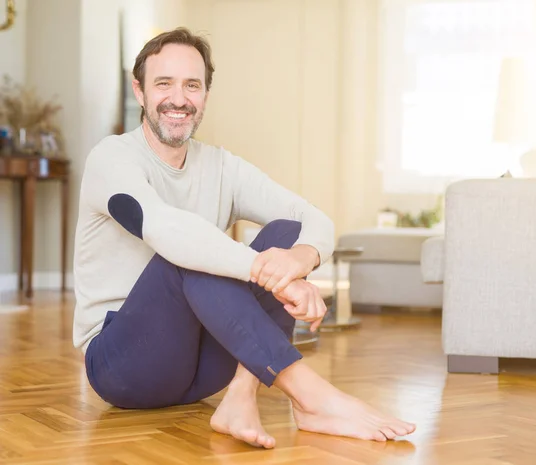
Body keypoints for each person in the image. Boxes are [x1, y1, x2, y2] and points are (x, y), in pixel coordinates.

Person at [73, 27, 415, 449]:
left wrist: (302, 259)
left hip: (200, 369)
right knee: (187, 254)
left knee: (286, 235)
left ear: (205, 96)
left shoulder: (221, 167)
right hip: (124, 364)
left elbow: (310, 218)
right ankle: (311, 396)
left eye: (192, 85)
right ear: (140, 91)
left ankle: (240, 396)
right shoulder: (111, 158)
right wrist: (271, 273)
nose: (178, 99)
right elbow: (167, 230)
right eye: (164, 83)